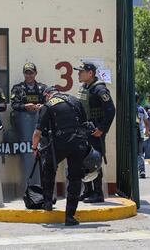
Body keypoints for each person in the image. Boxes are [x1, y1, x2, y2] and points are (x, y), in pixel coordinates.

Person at [32, 86, 90, 226]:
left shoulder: (49, 104)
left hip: (60, 143)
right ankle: (70, 216)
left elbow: (38, 132)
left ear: (47, 95)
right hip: (78, 143)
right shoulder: (75, 100)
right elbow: (85, 123)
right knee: (75, 178)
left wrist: (34, 148)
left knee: (49, 168)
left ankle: (47, 202)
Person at [74, 62, 115, 203]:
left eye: (81, 71)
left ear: (90, 73)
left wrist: (102, 129)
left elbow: (111, 110)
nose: (78, 74)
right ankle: (88, 191)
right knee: (83, 159)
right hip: (85, 129)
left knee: (94, 160)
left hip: (95, 129)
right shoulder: (85, 87)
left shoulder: (99, 89)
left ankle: (98, 193)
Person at [11, 62, 47, 185]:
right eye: (26, 73)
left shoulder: (43, 88)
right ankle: (27, 184)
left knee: (40, 156)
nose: (29, 75)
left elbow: (49, 104)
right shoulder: (18, 88)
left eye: (31, 72)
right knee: (26, 157)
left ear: (35, 73)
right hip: (23, 129)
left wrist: (41, 107)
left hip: (39, 129)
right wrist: (25, 107)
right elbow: (14, 105)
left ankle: (40, 185)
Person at [136, 93, 150, 178]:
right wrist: (147, 131)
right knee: (140, 153)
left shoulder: (128, 108)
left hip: (131, 134)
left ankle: (131, 170)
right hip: (140, 133)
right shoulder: (141, 109)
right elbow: (147, 122)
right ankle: (142, 171)